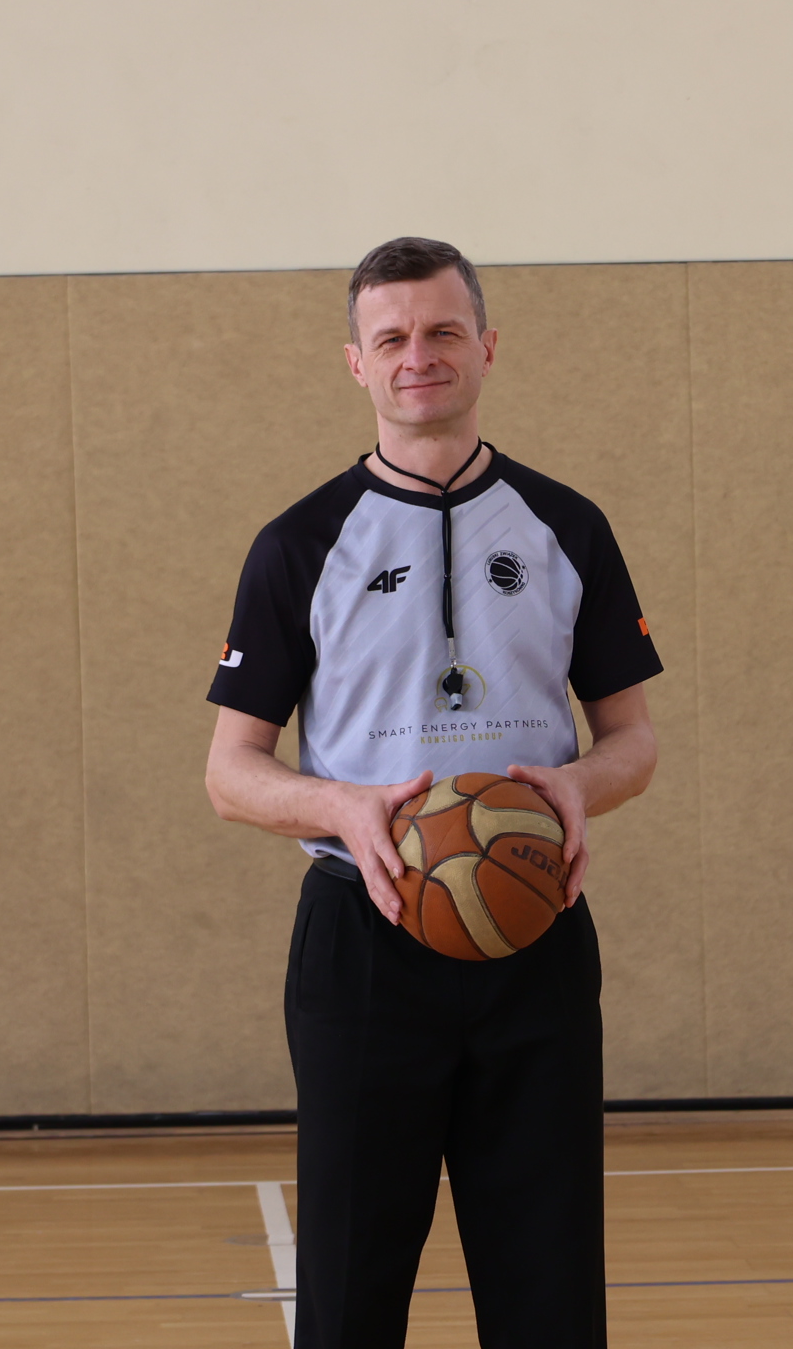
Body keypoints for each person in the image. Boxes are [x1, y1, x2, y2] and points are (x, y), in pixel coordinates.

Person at [203, 236, 662, 1348]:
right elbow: (231, 773)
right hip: (365, 938)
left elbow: (634, 742)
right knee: (351, 1298)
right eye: (394, 337)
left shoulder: (568, 527)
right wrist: (342, 807)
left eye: (445, 330)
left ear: (488, 347)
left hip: (533, 929)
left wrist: (573, 787)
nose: (421, 355)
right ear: (357, 363)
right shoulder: (299, 544)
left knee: (551, 1295)